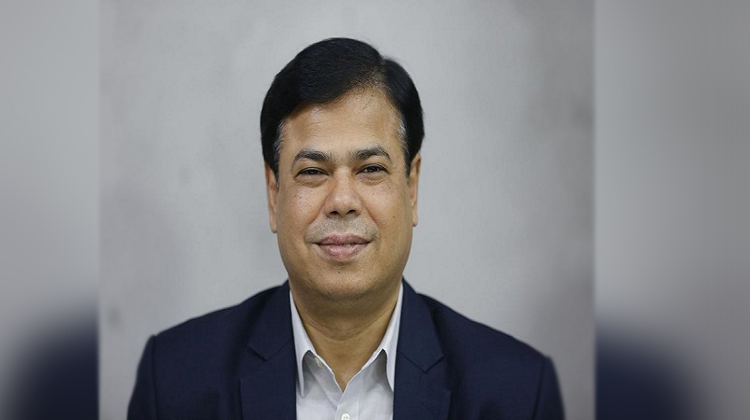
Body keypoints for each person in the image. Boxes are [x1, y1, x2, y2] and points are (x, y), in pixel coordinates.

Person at [128, 37, 564, 420]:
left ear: (411, 187)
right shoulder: (174, 381)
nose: (342, 201)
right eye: (313, 172)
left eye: (371, 169)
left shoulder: (517, 392)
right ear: (273, 193)